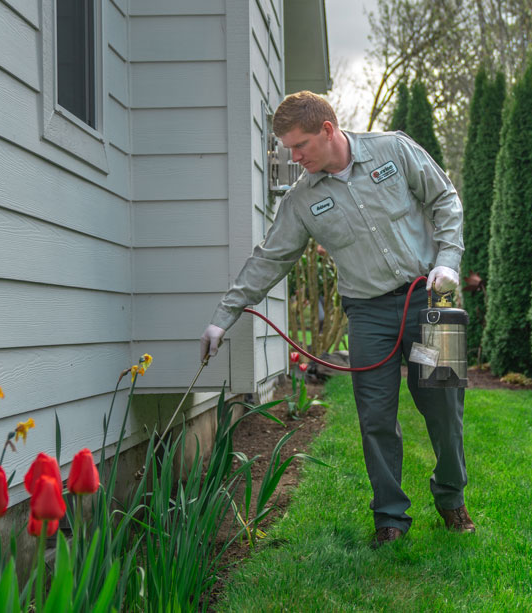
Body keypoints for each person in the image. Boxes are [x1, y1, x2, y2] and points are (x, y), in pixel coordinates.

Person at [200, 91, 475, 549]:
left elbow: (445, 198)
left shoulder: (394, 149)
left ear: (328, 130)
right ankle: (390, 516)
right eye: (288, 148)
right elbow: (269, 260)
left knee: (444, 409)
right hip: (368, 314)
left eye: (300, 145)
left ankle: (451, 497)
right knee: (375, 417)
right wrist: (222, 317)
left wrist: (448, 258)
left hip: (432, 297)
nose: (295, 156)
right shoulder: (301, 199)